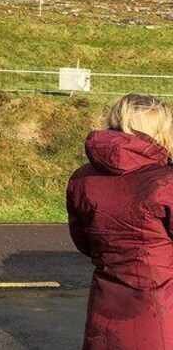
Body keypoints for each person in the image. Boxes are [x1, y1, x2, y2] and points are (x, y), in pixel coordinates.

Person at [67, 94, 173, 349]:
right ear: (161, 129)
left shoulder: (82, 180)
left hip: (105, 309)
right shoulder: (164, 183)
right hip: (160, 309)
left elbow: (84, 241)